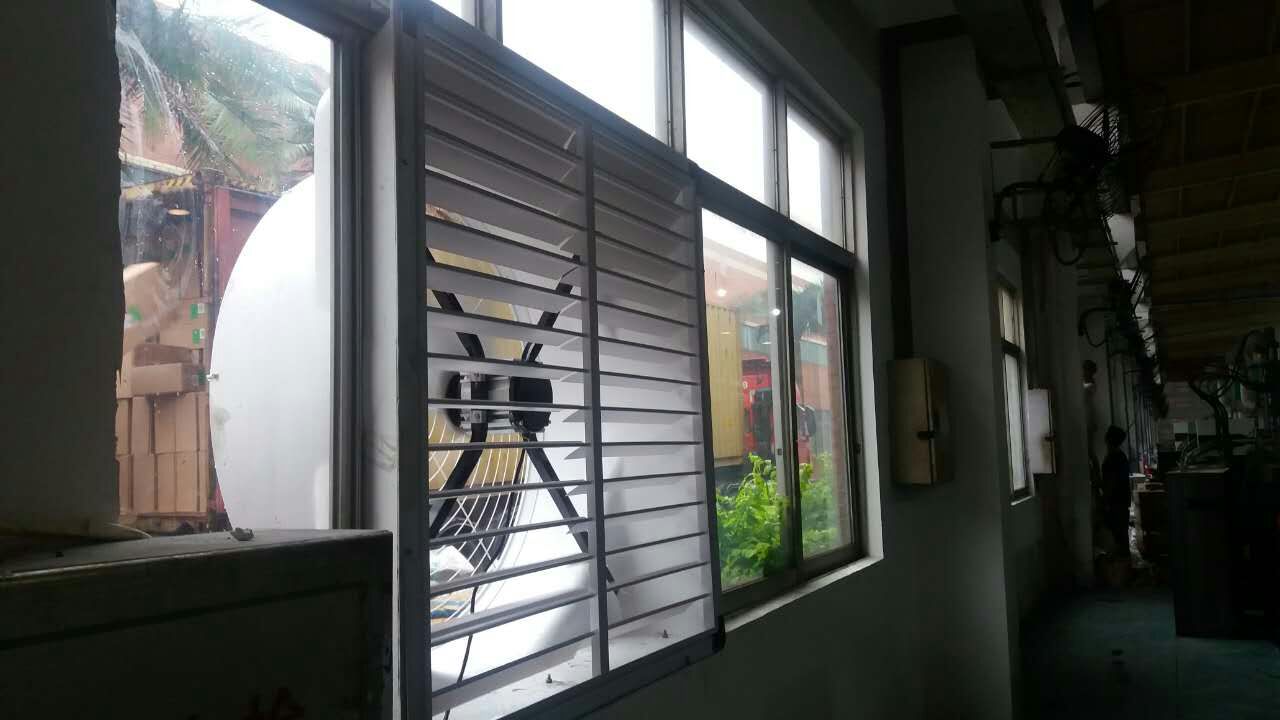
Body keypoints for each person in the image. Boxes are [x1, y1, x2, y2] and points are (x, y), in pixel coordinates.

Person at [1100, 425, 1131, 557]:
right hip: (1121, 502)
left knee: (1118, 537)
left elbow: (1111, 482)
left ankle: (1121, 564)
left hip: (1116, 503)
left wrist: (1105, 501)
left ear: (1109, 439)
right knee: (1121, 536)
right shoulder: (1120, 456)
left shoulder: (1113, 458)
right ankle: (1124, 562)